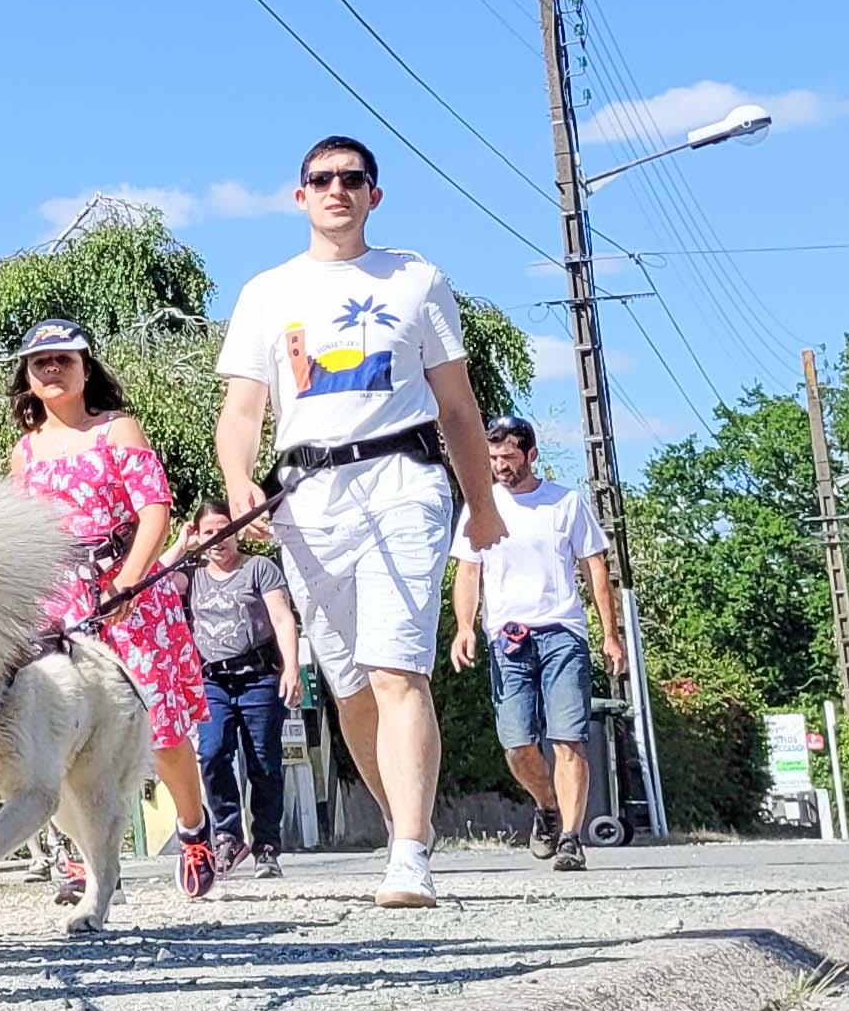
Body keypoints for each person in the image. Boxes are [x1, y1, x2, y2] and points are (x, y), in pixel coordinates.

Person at [215, 137, 508, 909]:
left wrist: (480, 507)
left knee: (396, 669)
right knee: (348, 688)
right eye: (322, 179)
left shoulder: (416, 279)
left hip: (402, 481)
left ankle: (409, 851)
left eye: (353, 179)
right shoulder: (266, 293)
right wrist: (239, 480)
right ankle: (399, 821)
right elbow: (241, 409)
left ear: (375, 195)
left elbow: (457, 408)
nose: (337, 189)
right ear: (299, 195)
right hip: (308, 496)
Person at [6, 320, 220, 899]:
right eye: (40, 362)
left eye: (63, 360)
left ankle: (195, 828)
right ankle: (88, 860)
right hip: (59, 603)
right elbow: (19, 532)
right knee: (60, 730)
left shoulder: (117, 430)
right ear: (27, 376)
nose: (52, 369)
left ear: (85, 368)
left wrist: (126, 583)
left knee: (160, 726)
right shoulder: (24, 455)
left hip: (129, 590)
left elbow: (155, 510)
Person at [450, 415, 618, 871]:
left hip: (562, 632)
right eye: (493, 458)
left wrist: (610, 634)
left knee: (568, 740)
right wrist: (464, 627)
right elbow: (468, 572)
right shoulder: (479, 507)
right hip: (507, 639)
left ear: (530, 455)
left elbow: (594, 567)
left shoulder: (565, 503)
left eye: (508, 457)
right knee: (517, 745)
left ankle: (569, 838)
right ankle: (547, 807)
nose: (500, 466)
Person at [182, 498, 302, 878]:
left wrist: (292, 668)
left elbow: (283, 619)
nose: (218, 540)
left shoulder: (258, 569)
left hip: (258, 676)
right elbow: (153, 579)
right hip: (211, 679)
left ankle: (266, 844)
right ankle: (228, 836)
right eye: (208, 533)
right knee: (213, 752)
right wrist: (181, 545)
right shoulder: (192, 575)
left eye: (225, 530)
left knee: (263, 760)